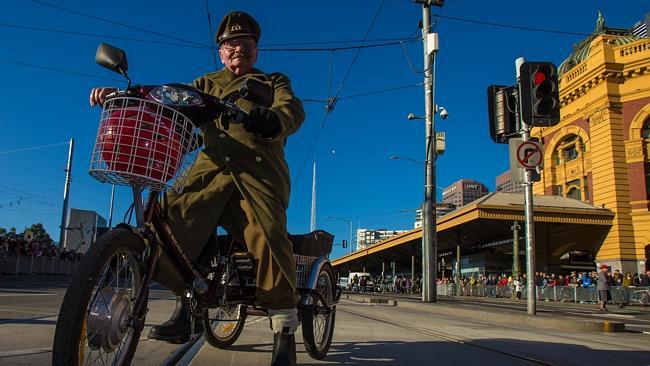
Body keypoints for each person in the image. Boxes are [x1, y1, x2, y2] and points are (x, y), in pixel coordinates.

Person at [90, 11, 304, 365]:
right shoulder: (204, 84)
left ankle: (283, 329)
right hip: (207, 175)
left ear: (256, 50)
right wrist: (128, 99)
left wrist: (275, 119)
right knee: (163, 228)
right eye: (232, 44)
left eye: (247, 43)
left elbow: (291, 108)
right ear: (220, 51)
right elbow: (171, 108)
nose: (239, 48)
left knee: (269, 236)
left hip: (257, 176)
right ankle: (187, 307)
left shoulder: (272, 80)